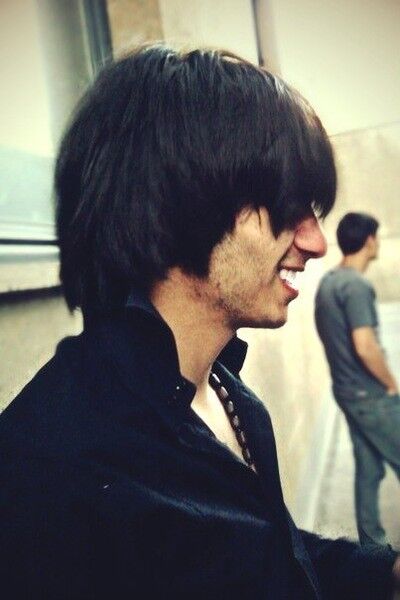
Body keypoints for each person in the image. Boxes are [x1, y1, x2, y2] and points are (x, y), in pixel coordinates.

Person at [0, 46, 399, 599]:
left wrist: (385, 572)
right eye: (288, 207)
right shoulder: (50, 471)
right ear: (181, 204)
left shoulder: (231, 395)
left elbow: (267, 555)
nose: (315, 242)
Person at [315, 212, 400, 550]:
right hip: (370, 396)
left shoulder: (328, 283)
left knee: (369, 470)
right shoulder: (356, 286)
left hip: (347, 392)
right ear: (369, 240)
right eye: (375, 237)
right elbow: (365, 346)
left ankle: (373, 551)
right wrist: (390, 382)